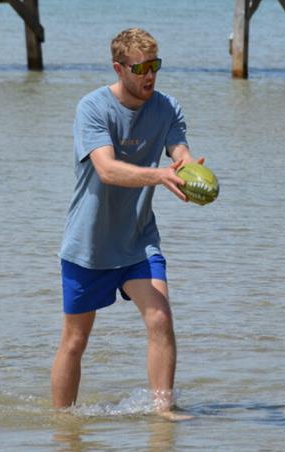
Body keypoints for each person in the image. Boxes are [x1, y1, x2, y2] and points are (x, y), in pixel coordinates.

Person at [51, 28, 201, 420]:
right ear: (119, 68)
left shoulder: (167, 107)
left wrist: (185, 166)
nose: (150, 75)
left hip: (138, 239)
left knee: (160, 316)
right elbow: (106, 169)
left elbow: (179, 149)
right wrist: (159, 176)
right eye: (141, 68)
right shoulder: (93, 108)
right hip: (90, 243)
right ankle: (63, 426)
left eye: (156, 66)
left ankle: (162, 413)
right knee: (75, 340)